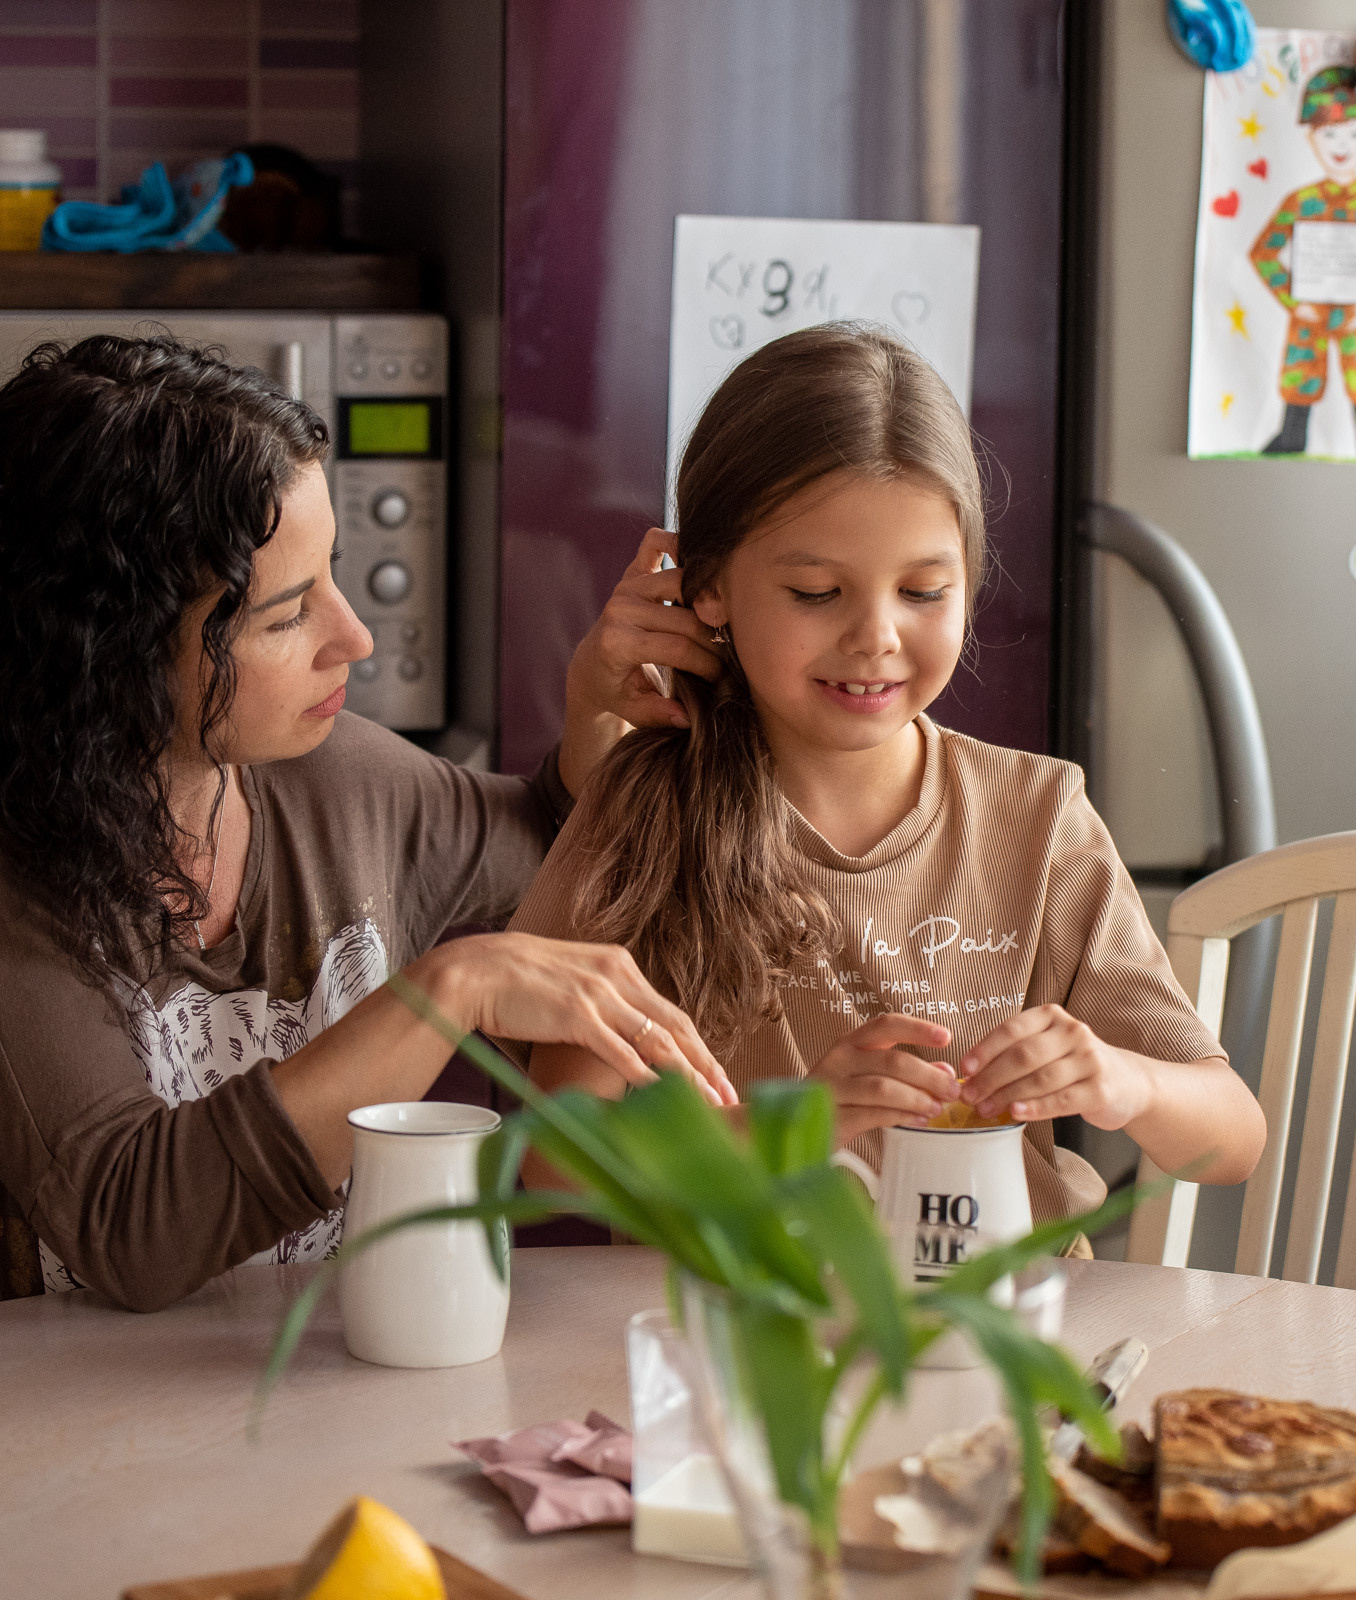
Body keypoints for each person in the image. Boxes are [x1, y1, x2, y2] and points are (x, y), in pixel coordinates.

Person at [0, 334, 732, 1341]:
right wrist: (450, 989)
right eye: (286, 615)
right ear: (106, 650)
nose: (354, 636)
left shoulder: (333, 775)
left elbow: (550, 854)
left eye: (332, 575)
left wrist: (597, 713)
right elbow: (127, 1224)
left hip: (244, 1411)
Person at [508, 323, 1264, 1227]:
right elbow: (558, 1160)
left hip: (997, 1336)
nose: (876, 636)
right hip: (754, 1336)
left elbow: (1233, 1141)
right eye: (817, 593)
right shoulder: (649, 808)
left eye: (922, 592)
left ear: (971, 585)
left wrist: (1124, 1081)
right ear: (708, 587)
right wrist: (791, 1126)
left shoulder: (1037, 818)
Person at [1249, 64, 1356, 459]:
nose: (1343, 144)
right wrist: (1294, 301)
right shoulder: (1301, 201)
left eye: (1355, 134)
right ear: (1312, 138)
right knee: (1301, 368)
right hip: (1309, 309)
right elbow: (1264, 251)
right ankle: (1291, 435)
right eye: (1330, 133)